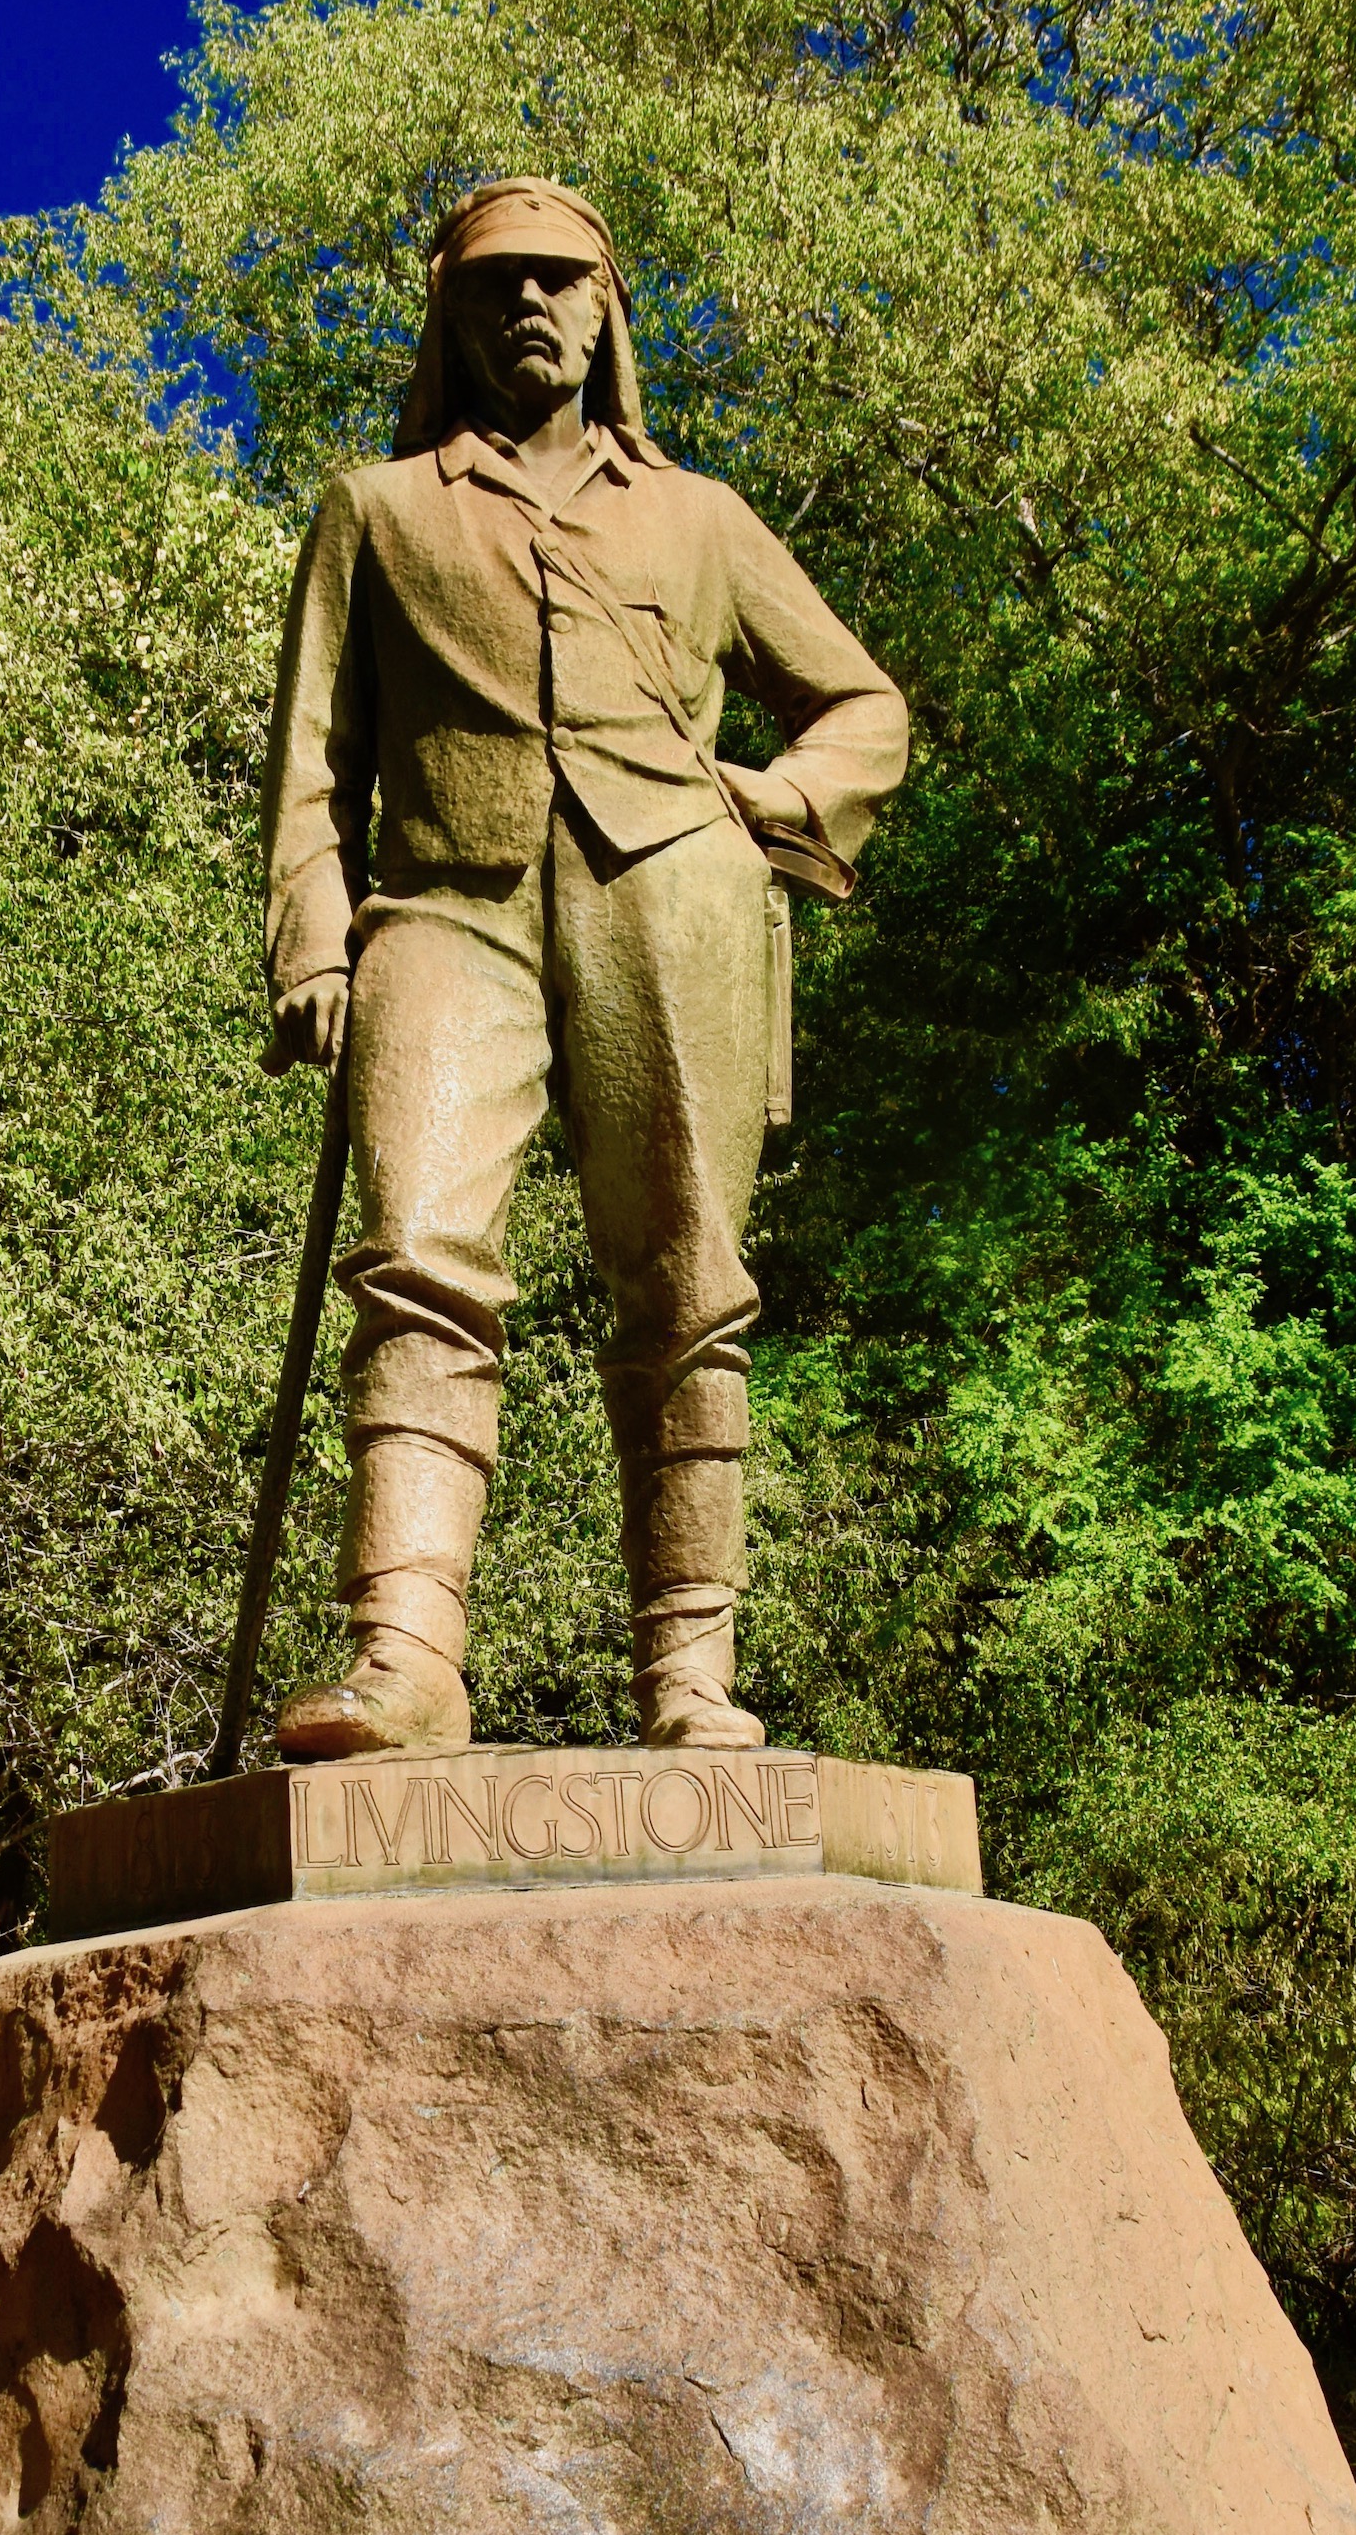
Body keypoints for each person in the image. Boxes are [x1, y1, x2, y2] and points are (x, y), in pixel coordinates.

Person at [260, 177, 909, 1759]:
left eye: (558, 281)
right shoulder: (378, 509)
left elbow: (864, 710)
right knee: (417, 1254)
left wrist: (772, 799)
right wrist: (310, 934)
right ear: (452, 316)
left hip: (671, 903)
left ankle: (691, 1684)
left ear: (608, 306)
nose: (527, 308)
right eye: (494, 286)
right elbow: (309, 763)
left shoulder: (701, 520)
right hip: (446, 908)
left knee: (690, 1288)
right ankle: (404, 1659)